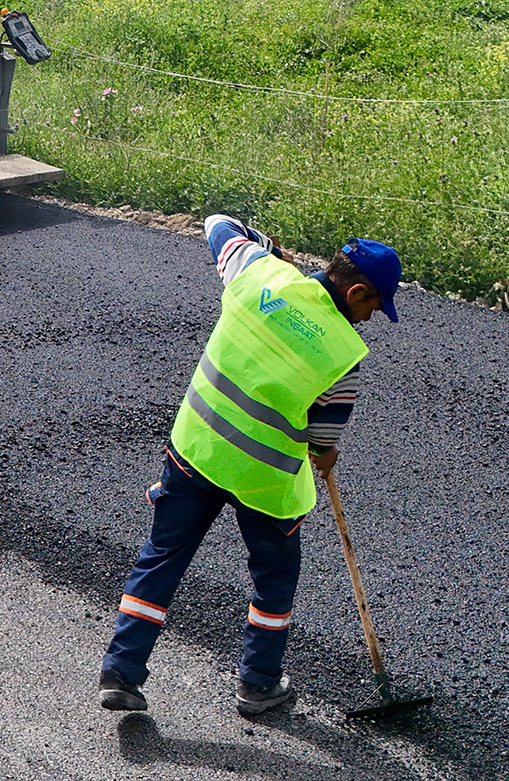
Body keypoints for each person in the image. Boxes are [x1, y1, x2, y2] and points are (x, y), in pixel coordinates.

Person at [96, 215, 401, 719]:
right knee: (274, 580)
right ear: (356, 292)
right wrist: (327, 458)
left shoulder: (257, 273)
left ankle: (121, 671)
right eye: (373, 305)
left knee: (163, 557)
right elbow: (321, 442)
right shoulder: (344, 355)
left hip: (197, 451)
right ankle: (257, 685)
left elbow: (218, 225)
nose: (371, 317)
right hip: (264, 482)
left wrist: (267, 250)